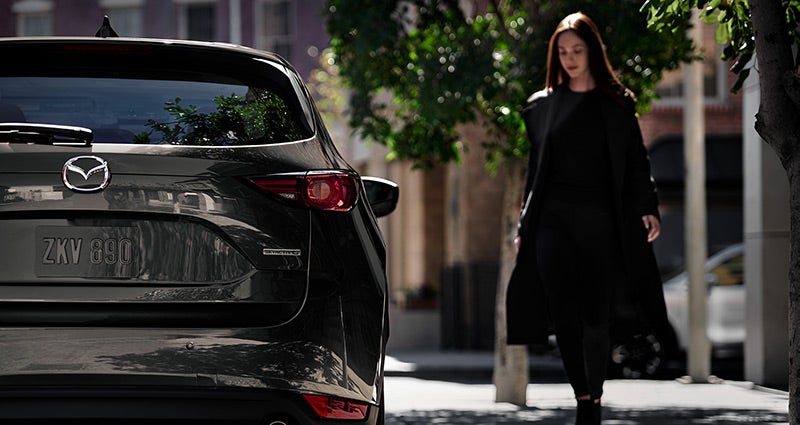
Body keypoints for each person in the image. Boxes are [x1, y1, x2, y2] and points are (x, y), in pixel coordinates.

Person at [505, 12, 667, 425]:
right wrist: (525, 225)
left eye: (577, 50)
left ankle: (593, 400)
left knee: (596, 316)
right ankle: (583, 400)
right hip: (551, 223)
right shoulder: (543, 106)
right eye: (562, 52)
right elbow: (535, 172)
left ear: (592, 51)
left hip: (601, 221)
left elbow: (636, 160)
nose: (570, 58)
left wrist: (647, 206)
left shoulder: (617, 103)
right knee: (563, 316)